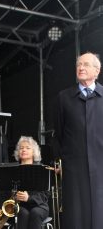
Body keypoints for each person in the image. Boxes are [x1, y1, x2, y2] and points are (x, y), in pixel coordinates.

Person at [55, 52, 103, 229]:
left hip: (101, 167)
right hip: (74, 168)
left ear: (97, 71)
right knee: (75, 215)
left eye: (86, 65)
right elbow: (59, 133)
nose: (81, 68)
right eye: (78, 65)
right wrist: (64, 160)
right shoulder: (64, 98)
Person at [11, 136, 49, 229]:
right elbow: (4, 191)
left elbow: (45, 194)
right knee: (23, 213)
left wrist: (29, 198)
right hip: (19, 206)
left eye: (28, 148)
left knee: (35, 213)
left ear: (34, 152)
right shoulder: (12, 170)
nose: (24, 150)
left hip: (39, 205)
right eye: (21, 148)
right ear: (18, 152)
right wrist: (14, 196)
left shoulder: (41, 170)